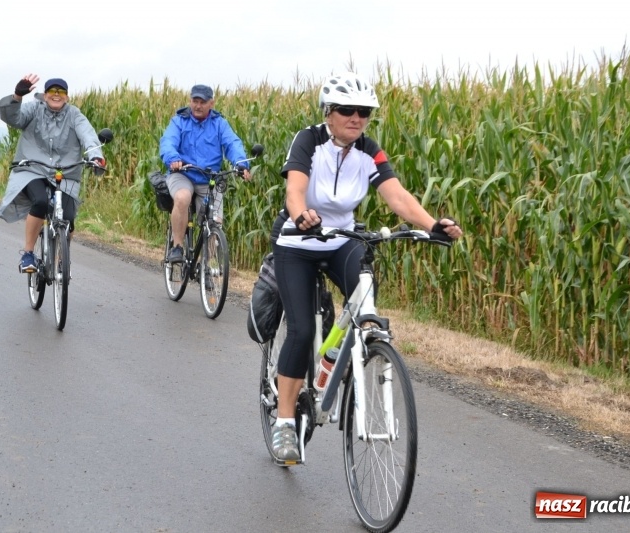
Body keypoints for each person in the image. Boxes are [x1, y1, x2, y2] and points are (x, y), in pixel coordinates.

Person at [269, 73, 463, 462]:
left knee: (365, 308)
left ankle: (336, 357)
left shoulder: (368, 150)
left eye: (365, 112)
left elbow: (397, 196)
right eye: (347, 110)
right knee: (302, 330)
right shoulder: (308, 140)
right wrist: (302, 214)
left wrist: (432, 225)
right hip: (299, 241)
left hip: (342, 238)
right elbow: (295, 190)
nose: (357, 118)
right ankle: (285, 423)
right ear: (328, 112)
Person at [0, 74, 106, 272]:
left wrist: (96, 156)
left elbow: (88, 135)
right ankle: (28, 253)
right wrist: (17, 96)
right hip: (33, 169)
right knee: (40, 202)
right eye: (52, 91)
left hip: (66, 172)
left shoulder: (74, 115)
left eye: (61, 91)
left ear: (67, 96)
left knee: (68, 218)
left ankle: (60, 261)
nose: (57, 95)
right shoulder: (34, 109)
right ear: (45, 95)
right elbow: (13, 118)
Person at [159, 84, 251, 263]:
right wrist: (173, 159)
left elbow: (232, 143)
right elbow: (168, 142)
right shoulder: (179, 121)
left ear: (211, 103)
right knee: (182, 198)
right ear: (190, 101)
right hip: (182, 173)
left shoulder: (219, 124)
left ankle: (206, 266)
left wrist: (241, 164)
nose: (198, 106)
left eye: (202, 102)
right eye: (195, 101)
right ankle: (177, 247)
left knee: (214, 221)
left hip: (209, 178)